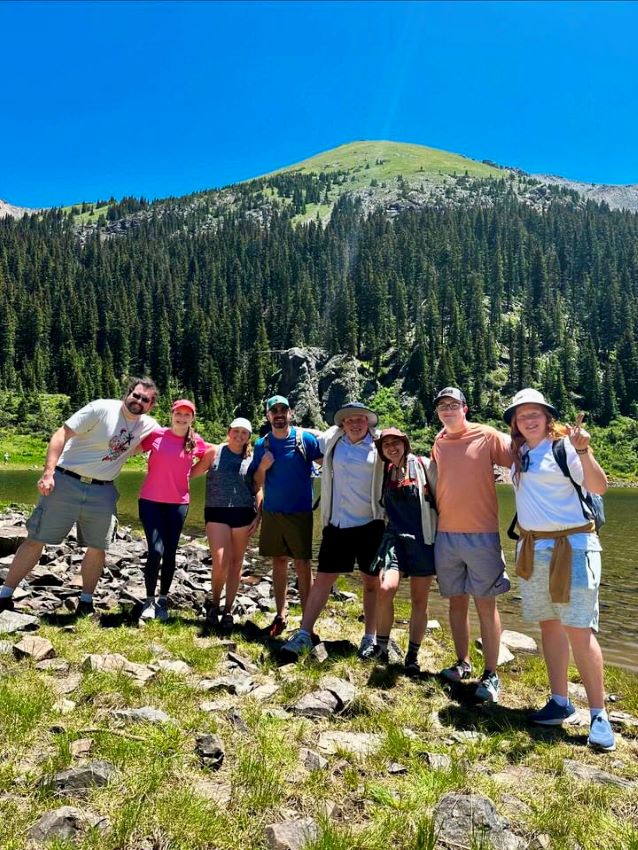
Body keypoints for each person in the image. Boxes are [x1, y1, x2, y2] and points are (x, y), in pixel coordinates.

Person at [504, 388, 614, 751]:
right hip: (533, 546)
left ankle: (598, 714)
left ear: (547, 417)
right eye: (522, 415)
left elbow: (599, 486)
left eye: (535, 413)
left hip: (575, 546)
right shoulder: (519, 454)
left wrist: (583, 449)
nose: (529, 419)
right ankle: (559, 702)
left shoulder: (566, 447)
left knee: (579, 629)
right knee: (549, 624)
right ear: (515, 424)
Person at [0, 378, 159, 615]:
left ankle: (86, 601)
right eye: (135, 395)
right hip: (66, 481)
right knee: (36, 538)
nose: (138, 401)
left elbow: (175, 436)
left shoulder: (149, 425)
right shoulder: (101, 408)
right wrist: (48, 473)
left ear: (151, 405)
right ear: (127, 393)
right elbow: (60, 434)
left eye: (145, 399)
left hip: (103, 490)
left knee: (98, 546)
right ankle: (5, 593)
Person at [280, 401, 386, 661]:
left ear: (369, 421)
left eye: (360, 418)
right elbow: (307, 434)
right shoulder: (333, 439)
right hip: (337, 523)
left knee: (372, 582)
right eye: (349, 420)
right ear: (341, 424)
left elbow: (403, 456)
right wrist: (281, 429)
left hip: (372, 523)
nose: (355, 423)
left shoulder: (380, 443)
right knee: (324, 579)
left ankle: (370, 637)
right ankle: (305, 632)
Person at [431, 386, 512, 702]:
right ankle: (463, 662)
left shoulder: (487, 435)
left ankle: (491, 674)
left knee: (486, 604)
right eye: (442, 406)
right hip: (447, 535)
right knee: (455, 601)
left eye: (453, 404)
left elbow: (517, 458)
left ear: (465, 408)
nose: (448, 410)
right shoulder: (439, 442)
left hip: (482, 534)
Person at [250, 396, 322, 637]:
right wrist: (262, 467)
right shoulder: (262, 445)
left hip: (300, 513)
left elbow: (329, 464)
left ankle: (307, 622)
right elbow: (256, 482)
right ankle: (280, 615)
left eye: (283, 410)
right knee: (278, 561)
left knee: (303, 565)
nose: (279, 414)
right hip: (272, 512)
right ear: (268, 416)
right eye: (274, 411)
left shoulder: (305, 440)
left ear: (290, 413)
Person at [137, 399, 208, 622]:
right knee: (155, 550)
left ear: (192, 418)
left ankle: (163, 601)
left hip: (178, 503)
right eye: (179, 413)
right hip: (150, 501)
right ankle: (149, 601)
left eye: (187, 415)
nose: (182, 418)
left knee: (170, 552)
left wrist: (189, 475)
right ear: (172, 414)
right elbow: (130, 449)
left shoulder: (195, 441)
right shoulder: (156, 435)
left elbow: (211, 454)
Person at [373, 428, 438, 675]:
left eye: (396, 442)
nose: (391, 447)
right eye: (386, 444)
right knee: (385, 588)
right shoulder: (385, 472)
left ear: (405, 444)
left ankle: (412, 655)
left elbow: (441, 498)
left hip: (423, 540)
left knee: (419, 600)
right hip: (394, 540)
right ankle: (382, 646)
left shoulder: (423, 466)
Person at [197, 417, 262, 630]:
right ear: (229, 431)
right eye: (236, 431)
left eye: (244, 433)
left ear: (248, 437)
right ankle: (214, 603)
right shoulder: (214, 452)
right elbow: (191, 473)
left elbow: (257, 487)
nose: (239, 436)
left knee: (236, 565)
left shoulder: (252, 458)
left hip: (244, 514)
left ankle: (228, 610)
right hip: (216, 512)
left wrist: (259, 514)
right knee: (221, 561)